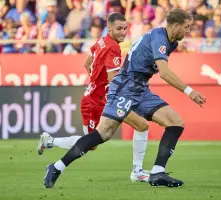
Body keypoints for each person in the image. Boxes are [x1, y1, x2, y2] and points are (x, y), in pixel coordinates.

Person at [43, 8, 206, 188]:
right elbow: (165, 73)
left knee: (175, 122)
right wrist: (190, 91)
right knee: (101, 135)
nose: (188, 31)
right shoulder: (160, 39)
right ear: (175, 25)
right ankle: (56, 167)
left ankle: (157, 172)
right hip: (125, 89)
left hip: (141, 89)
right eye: (187, 27)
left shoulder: (171, 41)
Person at [38, 12, 150, 183]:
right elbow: (114, 80)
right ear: (109, 28)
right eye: (119, 28)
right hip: (99, 102)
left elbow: (86, 62)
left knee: (92, 143)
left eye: (125, 28)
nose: (123, 32)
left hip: (94, 98)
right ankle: (137, 170)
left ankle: (50, 141)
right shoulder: (113, 47)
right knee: (140, 125)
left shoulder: (102, 41)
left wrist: (95, 82)